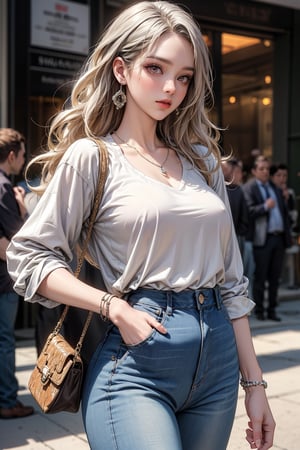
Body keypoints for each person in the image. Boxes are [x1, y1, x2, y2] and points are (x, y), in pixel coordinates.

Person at [6, 2, 275, 448]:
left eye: (185, 76)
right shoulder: (93, 157)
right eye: (155, 68)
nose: (171, 87)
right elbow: (28, 258)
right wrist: (114, 307)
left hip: (218, 362)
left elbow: (231, 281)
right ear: (120, 69)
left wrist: (255, 385)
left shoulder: (203, 160)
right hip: (136, 359)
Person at [0, 128, 34, 419]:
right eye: (22, 156)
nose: (23, 162)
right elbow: (18, 240)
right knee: (5, 340)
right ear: (11, 156)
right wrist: (23, 209)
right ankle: (8, 401)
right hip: (3, 281)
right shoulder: (3, 188)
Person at [243, 156, 292, 322]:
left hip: (278, 238)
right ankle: (260, 312)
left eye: (267, 169)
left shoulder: (274, 187)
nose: (265, 172)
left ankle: (272, 309)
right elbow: (249, 211)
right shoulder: (250, 188)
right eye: (262, 169)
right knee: (261, 277)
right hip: (262, 239)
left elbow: (285, 213)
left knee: (275, 277)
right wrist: (265, 206)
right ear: (254, 171)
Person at [221, 158, 249, 254]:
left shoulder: (239, 190)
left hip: (235, 237)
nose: (239, 175)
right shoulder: (219, 189)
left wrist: (239, 234)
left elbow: (244, 216)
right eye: (237, 172)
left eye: (239, 172)